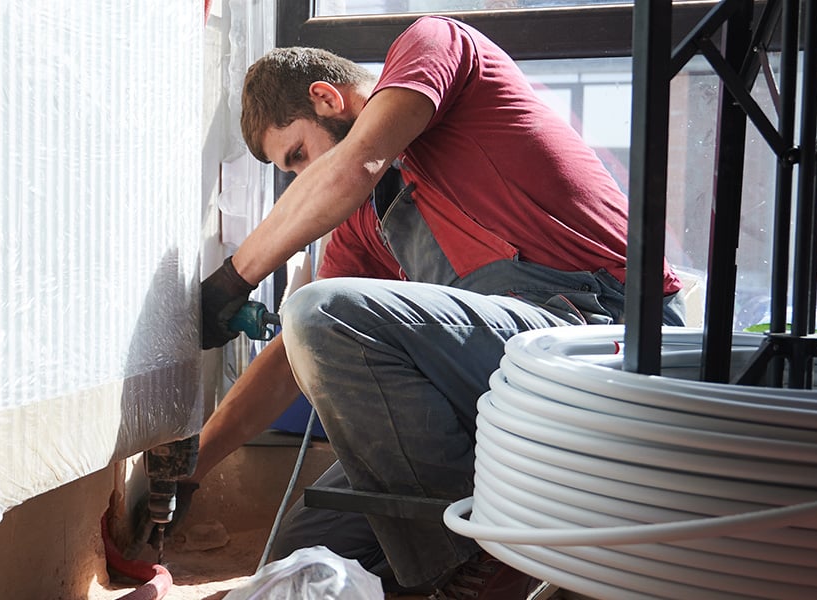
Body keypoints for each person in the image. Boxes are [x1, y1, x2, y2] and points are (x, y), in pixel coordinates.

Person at [194, 15, 685, 597]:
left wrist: (230, 281)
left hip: (598, 335)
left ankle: (476, 556)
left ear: (327, 98)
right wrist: (190, 472)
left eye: (298, 155)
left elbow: (355, 165)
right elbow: (290, 359)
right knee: (305, 563)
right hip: (499, 379)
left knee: (321, 311)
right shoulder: (366, 220)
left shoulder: (437, 45)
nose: (304, 178)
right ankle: (457, 558)